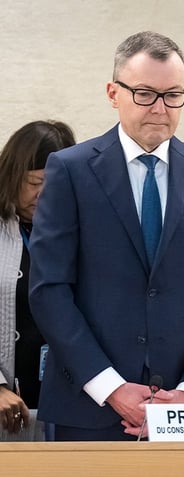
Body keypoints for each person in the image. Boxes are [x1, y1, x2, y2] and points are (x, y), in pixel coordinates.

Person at [28, 31, 184, 441]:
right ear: (113, 93)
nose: (160, 108)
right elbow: (50, 289)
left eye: (173, 95)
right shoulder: (69, 171)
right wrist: (111, 387)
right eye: (145, 93)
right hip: (89, 409)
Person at [0, 120, 75, 435]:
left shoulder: (79, 233)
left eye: (54, 183)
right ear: (11, 176)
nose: (43, 194)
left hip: (67, 403)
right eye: (33, 182)